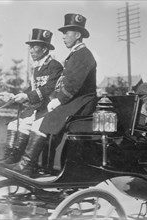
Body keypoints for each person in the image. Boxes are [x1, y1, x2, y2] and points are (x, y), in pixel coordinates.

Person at [6, 13, 97, 177]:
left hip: (82, 103)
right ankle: (29, 164)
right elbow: (64, 83)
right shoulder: (75, 55)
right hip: (74, 101)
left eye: (66, 33)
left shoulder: (83, 55)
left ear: (77, 35)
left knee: (42, 123)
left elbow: (73, 84)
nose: (63, 37)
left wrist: (58, 100)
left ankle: (27, 165)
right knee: (38, 122)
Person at [0, 28, 63, 166]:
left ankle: (25, 164)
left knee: (28, 126)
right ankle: (12, 157)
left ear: (44, 49)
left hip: (49, 110)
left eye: (34, 47)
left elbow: (48, 89)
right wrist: (13, 96)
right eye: (30, 47)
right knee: (15, 124)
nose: (31, 51)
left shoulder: (55, 66)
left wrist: (26, 96)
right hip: (39, 109)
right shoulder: (36, 68)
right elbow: (31, 89)